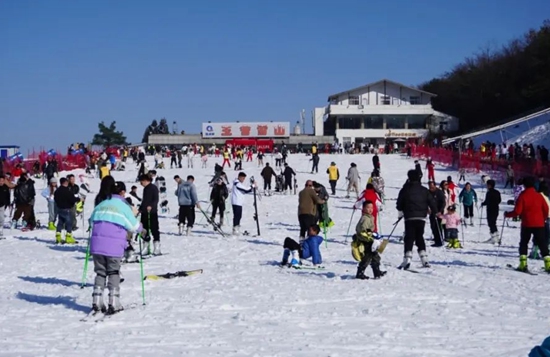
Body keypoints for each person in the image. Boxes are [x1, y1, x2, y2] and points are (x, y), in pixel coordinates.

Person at [89, 176, 144, 314]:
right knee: (113, 272)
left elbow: (91, 221)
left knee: (100, 272)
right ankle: (113, 301)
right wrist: (143, 232)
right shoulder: (123, 206)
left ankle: (96, 299)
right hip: (113, 246)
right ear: (122, 193)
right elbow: (133, 225)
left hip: (97, 245)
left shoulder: (101, 204)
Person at [504, 176, 550, 272]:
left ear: (524, 185)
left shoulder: (523, 195)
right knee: (542, 244)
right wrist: (543, 218)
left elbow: (517, 211)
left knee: (524, 243)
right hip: (539, 224)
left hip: (527, 224)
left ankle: (523, 264)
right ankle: (548, 264)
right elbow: (546, 209)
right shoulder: (539, 195)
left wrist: (507, 214)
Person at [396, 169, 438, 269]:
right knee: (419, 236)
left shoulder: (405, 189)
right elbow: (432, 202)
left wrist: (402, 210)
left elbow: (399, 204)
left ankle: (407, 258)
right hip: (421, 217)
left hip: (409, 217)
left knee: (409, 237)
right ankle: (424, 259)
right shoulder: (424, 190)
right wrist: (435, 211)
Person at [353, 200, 386, 280]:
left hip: (369, 240)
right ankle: (360, 273)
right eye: (368, 207)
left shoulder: (370, 217)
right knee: (367, 257)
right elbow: (364, 229)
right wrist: (371, 234)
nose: (370, 209)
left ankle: (377, 271)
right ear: (363, 209)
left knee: (375, 255)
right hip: (365, 241)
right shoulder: (365, 218)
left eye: (371, 207)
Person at [139, 174, 161, 255]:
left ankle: (157, 247)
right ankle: (146, 247)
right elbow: (144, 200)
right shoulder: (145, 189)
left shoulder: (153, 188)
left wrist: (151, 206)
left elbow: (155, 199)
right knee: (144, 230)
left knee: (154, 229)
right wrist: (141, 208)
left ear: (145, 180)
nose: (141, 183)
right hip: (144, 213)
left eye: (141, 182)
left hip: (152, 213)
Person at [54, 177, 80, 244]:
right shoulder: (67, 191)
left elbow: (55, 199)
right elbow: (72, 199)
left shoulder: (57, 191)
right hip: (67, 209)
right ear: (65, 182)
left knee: (60, 222)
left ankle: (58, 236)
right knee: (69, 223)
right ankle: (68, 237)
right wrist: (78, 199)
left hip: (60, 209)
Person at [481, 179, 502, 244]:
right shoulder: (497, 192)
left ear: (489, 185)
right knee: (494, 223)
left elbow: (487, 201)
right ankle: (496, 238)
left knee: (491, 224)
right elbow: (499, 200)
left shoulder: (489, 192)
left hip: (490, 210)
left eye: (487, 185)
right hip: (496, 209)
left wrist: (483, 203)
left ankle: (493, 238)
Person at [427, 181, 446, 247]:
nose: (431, 188)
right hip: (432, 212)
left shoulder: (439, 192)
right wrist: (427, 209)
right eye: (430, 187)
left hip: (439, 212)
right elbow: (425, 201)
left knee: (438, 226)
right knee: (433, 226)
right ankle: (436, 239)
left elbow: (443, 202)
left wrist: (440, 211)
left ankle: (439, 241)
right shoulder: (427, 192)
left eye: (432, 186)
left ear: (435, 186)